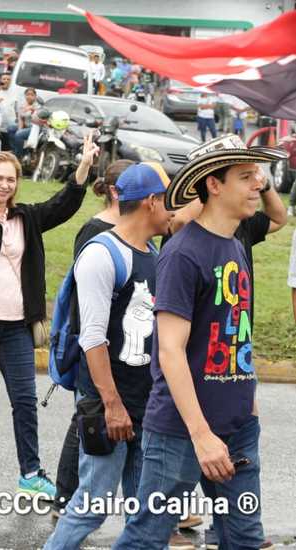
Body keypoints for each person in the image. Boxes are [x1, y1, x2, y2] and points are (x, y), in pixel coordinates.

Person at [112, 135, 288, 550]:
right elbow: (169, 351)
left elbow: (235, 332)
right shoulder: (183, 254)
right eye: (245, 176)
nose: (258, 184)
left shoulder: (235, 245)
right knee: (146, 539)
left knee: (243, 540)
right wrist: (202, 434)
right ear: (214, 184)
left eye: (257, 175)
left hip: (239, 427)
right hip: (181, 431)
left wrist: (249, 404)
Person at [0, 129, 93, 500]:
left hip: (17, 325)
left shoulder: (26, 218)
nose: (4, 185)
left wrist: (83, 166)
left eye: (11, 179)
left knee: (25, 401)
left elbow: (63, 204)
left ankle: (30, 473)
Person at [44, 164, 173, 549]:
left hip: (144, 404)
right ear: (151, 202)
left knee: (146, 511)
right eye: (169, 201)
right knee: (91, 506)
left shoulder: (151, 252)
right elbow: (92, 339)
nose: (174, 210)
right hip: (110, 407)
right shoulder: (103, 254)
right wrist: (112, 406)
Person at [51, 159, 133, 509]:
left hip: (122, 343)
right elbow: (83, 296)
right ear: (115, 191)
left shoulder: (134, 230)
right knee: (87, 418)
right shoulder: (95, 231)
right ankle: (66, 498)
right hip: (92, 341)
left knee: (88, 417)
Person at [0, 72, 20, 152]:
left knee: (9, 149)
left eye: (8, 79)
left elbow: (17, 110)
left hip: (10, 127)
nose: (6, 81)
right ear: (0, 80)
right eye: (4, 79)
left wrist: (18, 122)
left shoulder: (14, 93)